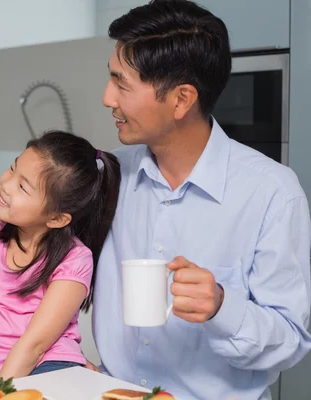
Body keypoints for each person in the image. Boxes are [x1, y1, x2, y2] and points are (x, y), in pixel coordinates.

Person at [93, 1, 311, 399]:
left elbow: (290, 340)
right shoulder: (108, 174)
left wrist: (221, 307)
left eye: (121, 83)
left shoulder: (272, 193)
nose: (108, 98)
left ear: (181, 99)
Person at [0, 130, 121, 386]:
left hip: (47, 365)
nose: (6, 184)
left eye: (23, 187)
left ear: (56, 218)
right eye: (12, 169)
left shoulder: (75, 258)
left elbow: (35, 344)